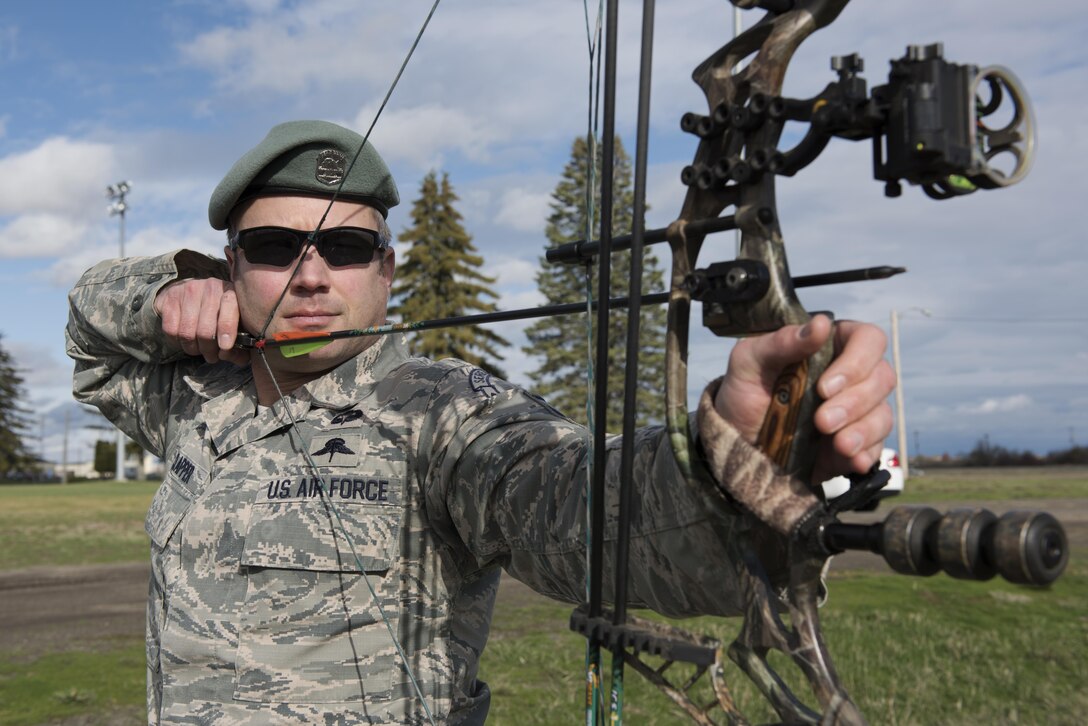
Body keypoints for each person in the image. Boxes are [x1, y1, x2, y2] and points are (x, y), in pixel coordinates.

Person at [67, 120, 894, 724]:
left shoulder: (443, 410)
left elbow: (576, 504)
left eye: (346, 250)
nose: (313, 277)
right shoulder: (195, 396)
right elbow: (89, 338)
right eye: (278, 247)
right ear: (233, 267)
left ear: (385, 272)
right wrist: (162, 295)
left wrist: (734, 455)